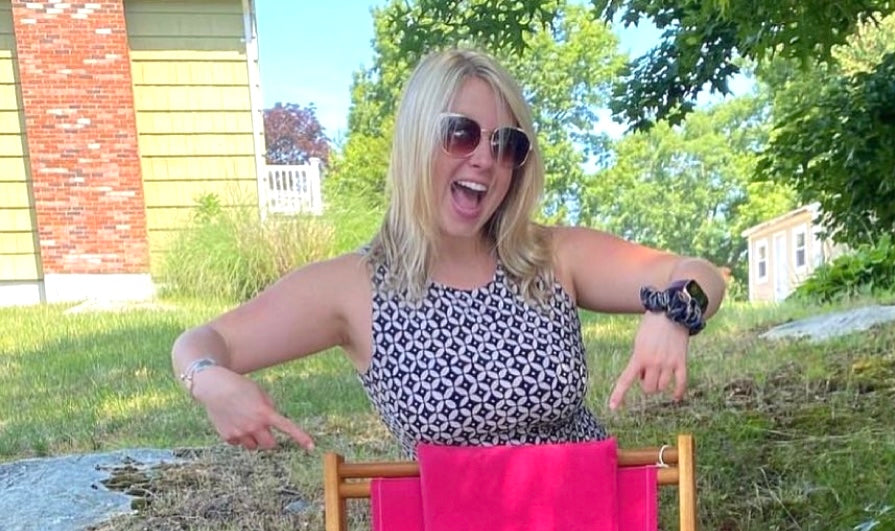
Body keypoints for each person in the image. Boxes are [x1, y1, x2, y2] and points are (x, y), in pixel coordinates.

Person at [171, 47, 726, 456]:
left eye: (506, 144)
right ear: (417, 140)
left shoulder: (553, 256)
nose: (485, 159)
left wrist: (676, 311)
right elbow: (204, 343)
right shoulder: (356, 287)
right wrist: (207, 378)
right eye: (460, 134)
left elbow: (700, 274)